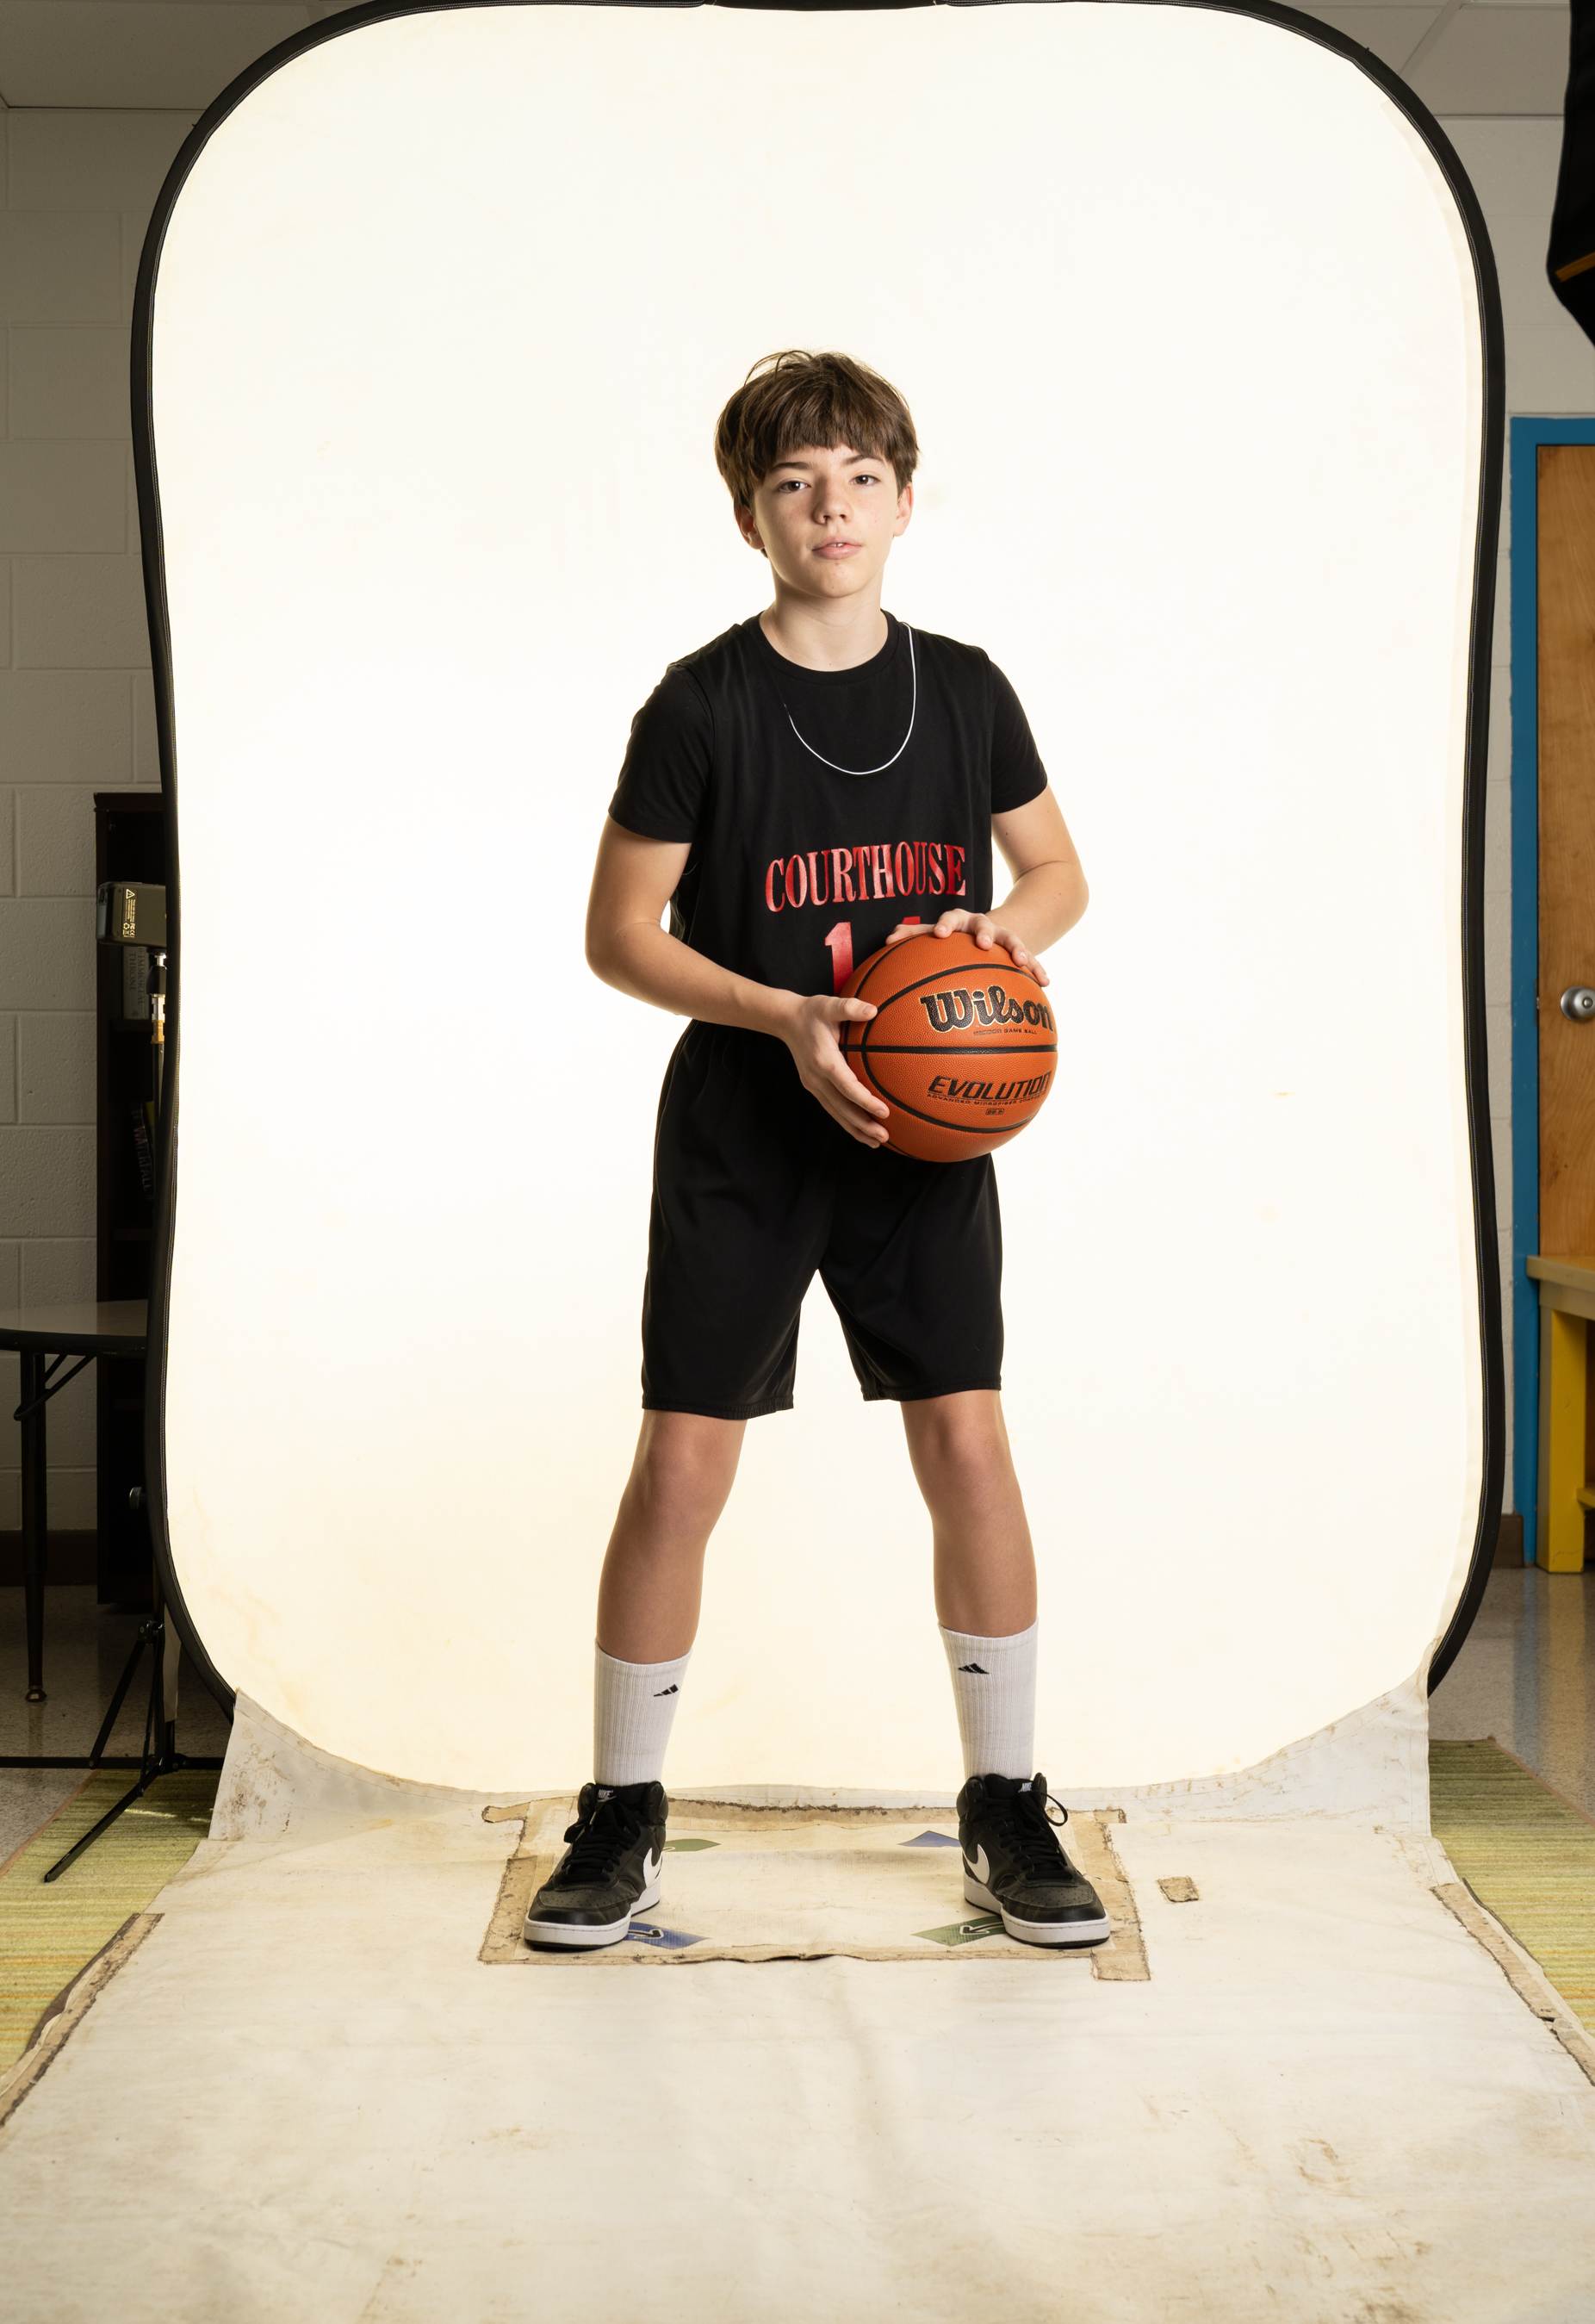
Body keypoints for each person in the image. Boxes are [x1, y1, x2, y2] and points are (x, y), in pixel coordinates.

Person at [524, 351, 1104, 1950]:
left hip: (924, 1132)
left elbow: (1057, 874)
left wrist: (1000, 937)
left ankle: (1005, 1801)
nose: (828, 507)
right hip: (747, 1119)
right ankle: (624, 1809)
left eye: (857, 478)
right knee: (683, 1462)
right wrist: (782, 1013)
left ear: (905, 501)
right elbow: (618, 934)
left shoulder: (966, 689)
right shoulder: (701, 703)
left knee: (968, 1443)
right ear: (750, 518)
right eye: (793, 484)